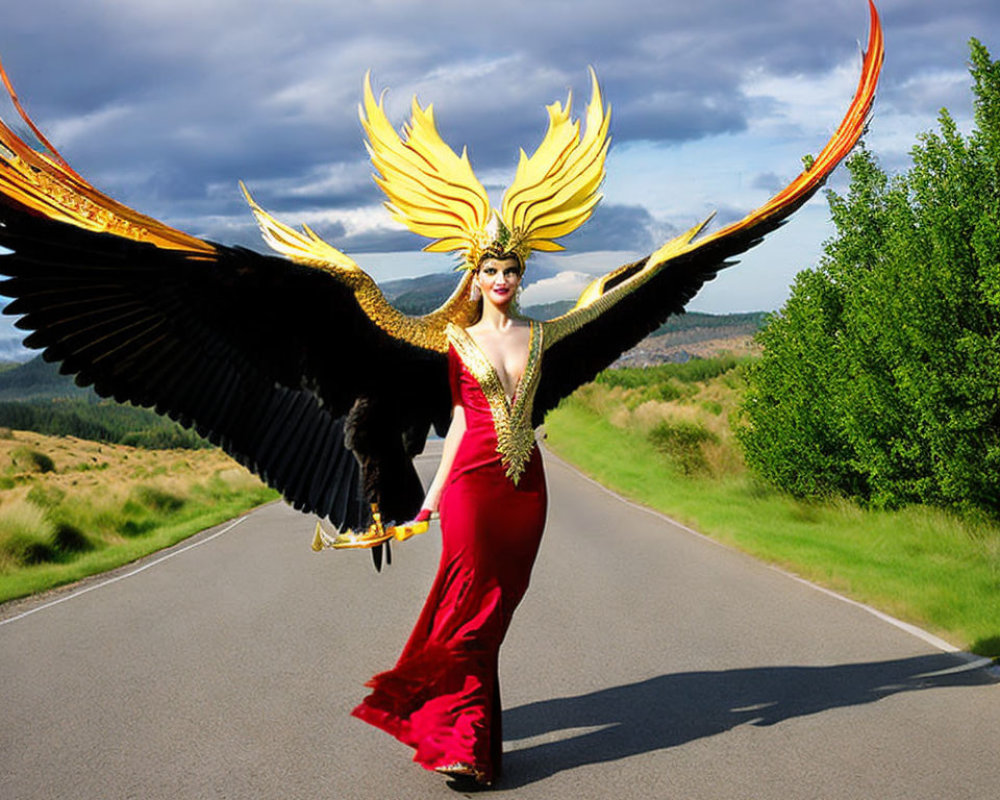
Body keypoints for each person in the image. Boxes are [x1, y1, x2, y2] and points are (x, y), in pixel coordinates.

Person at [351, 254, 544, 785]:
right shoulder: (458, 340)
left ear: (520, 276)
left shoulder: (543, 334)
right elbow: (459, 422)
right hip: (470, 486)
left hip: (525, 489)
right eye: (490, 271)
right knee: (469, 612)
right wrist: (431, 502)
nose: (500, 280)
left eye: (509, 270)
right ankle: (459, 746)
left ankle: (475, 744)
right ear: (475, 279)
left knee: (492, 616)